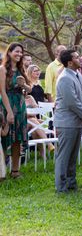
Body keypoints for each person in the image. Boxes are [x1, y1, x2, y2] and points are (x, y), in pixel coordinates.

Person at [54, 50, 82, 193]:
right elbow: (72, 102)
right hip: (66, 122)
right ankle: (61, 186)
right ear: (69, 62)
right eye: (76, 57)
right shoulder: (64, 78)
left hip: (76, 121)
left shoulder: (78, 75)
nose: (79, 58)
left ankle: (71, 183)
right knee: (64, 155)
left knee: (73, 155)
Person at [1, 43, 28, 178]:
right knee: (5, 138)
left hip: (21, 105)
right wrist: (9, 112)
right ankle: (2, 170)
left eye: (21, 52)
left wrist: (24, 87)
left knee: (17, 138)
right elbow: (2, 92)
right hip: (7, 105)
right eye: (17, 52)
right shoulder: (2, 69)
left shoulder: (20, 69)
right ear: (9, 52)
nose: (19, 54)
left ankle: (15, 170)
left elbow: (27, 91)